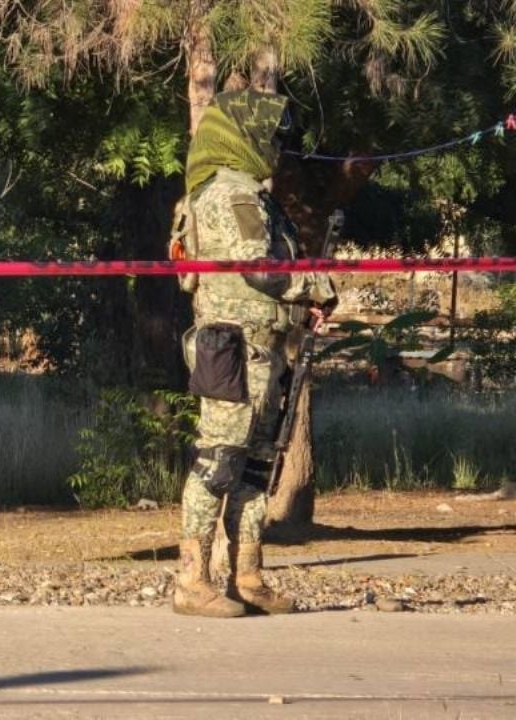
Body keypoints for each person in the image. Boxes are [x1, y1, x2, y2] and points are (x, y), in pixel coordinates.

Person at [174, 90, 338, 617]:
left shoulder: (256, 195)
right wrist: (314, 285)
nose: (277, 148)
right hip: (233, 348)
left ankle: (247, 577)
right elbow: (260, 270)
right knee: (219, 462)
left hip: (265, 347)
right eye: (271, 137)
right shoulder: (228, 193)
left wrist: (306, 302)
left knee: (255, 470)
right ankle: (191, 580)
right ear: (241, 135)